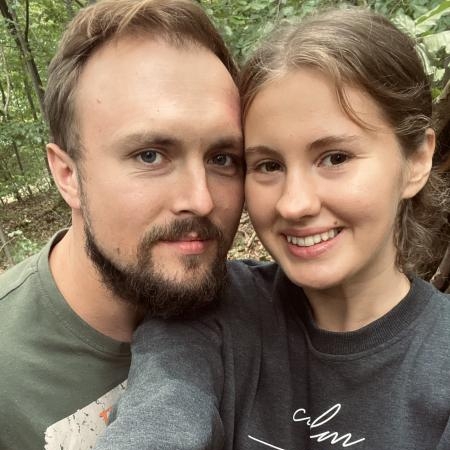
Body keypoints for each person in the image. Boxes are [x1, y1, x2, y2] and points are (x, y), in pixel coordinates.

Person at [95, 7, 450, 450]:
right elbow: (162, 411)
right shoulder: (215, 311)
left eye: (335, 158)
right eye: (268, 165)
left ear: (416, 160)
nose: (294, 204)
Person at [0, 0, 247, 448]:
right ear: (68, 175)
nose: (201, 199)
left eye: (222, 158)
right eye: (150, 156)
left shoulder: (262, 312)